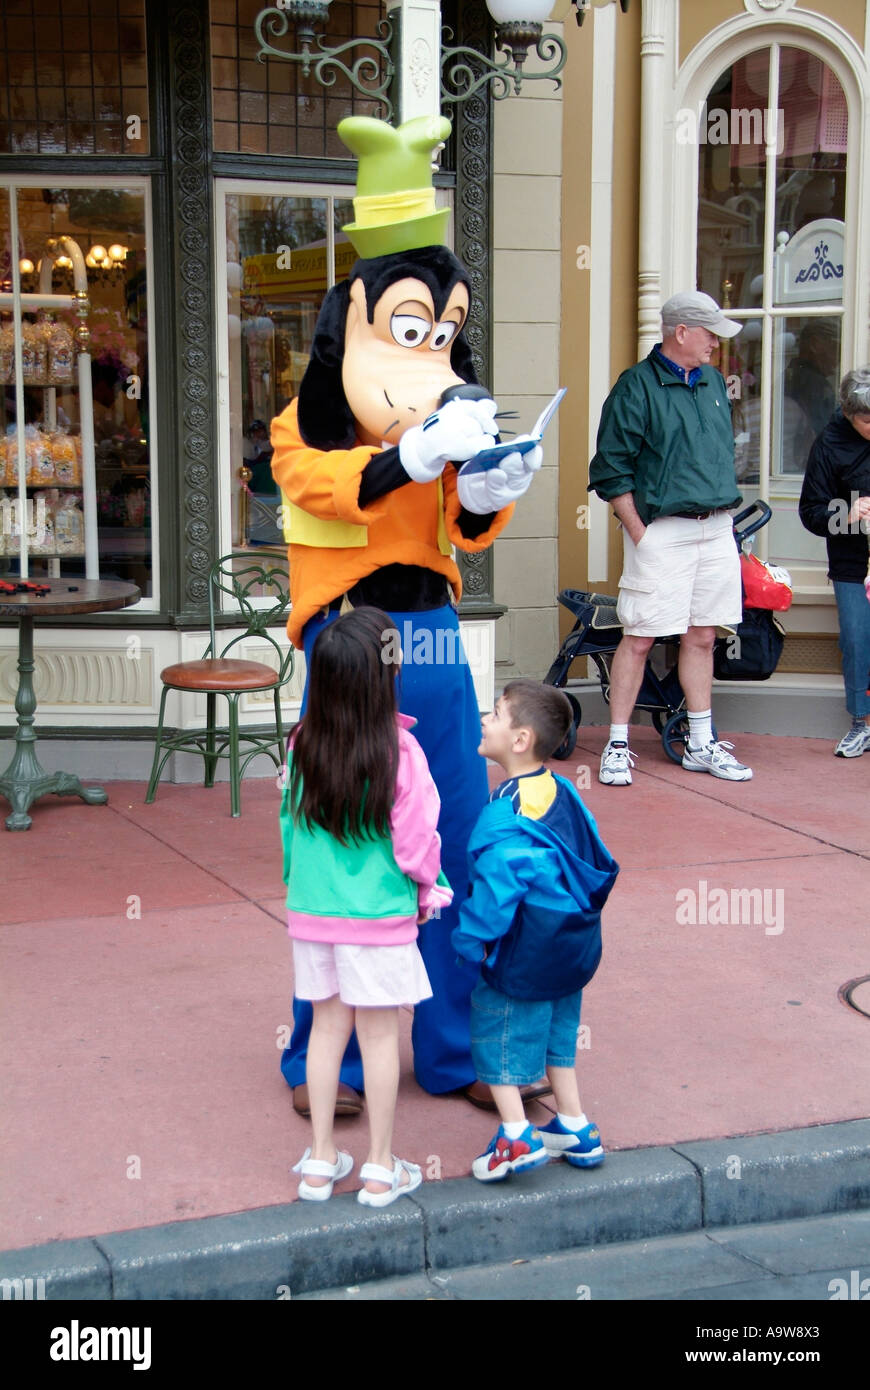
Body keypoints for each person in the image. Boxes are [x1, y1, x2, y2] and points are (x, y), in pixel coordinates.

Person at [271, 114, 546, 1118]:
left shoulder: (446, 425)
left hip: (431, 646)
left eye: (445, 329)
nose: (436, 353)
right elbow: (322, 488)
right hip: (350, 655)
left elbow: (457, 535)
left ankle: (455, 1044)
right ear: (350, 326)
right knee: (347, 850)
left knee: (453, 847)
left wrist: (485, 486)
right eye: (408, 327)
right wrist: (409, 458)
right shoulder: (301, 432)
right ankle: (324, 1062)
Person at [282, 607, 452, 1205]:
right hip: (378, 916)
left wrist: (295, 889)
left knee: (327, 1031)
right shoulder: (401, 752)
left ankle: (320, 1161)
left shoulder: (301, 744)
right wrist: (429, 888)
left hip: (311, 912)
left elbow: (289, 829)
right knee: (380, 1037)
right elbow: (417, 841)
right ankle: (380, 1167)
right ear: (386, 676)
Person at [451, 681, 619, 1183]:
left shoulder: (503, 813)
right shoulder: (563, 791)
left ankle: (516, 1134)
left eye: (497, 714)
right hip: (573, 941)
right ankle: (574, 1124)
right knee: (557, 1031)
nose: (485, 719)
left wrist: (469, 940)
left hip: (525, 945)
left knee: (495, 1033)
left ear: (520, 739)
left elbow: (496, 889)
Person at [589, 290, 753, 786]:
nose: (715, 346)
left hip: (716, 528)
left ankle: (701, 743)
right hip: (664, 532)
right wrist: (643, 535)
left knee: (702, 635)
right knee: (638, 637)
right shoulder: (634, 387)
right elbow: (611, 470)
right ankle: (617, 744)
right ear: (680, 332)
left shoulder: (711, 384)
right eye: (709, 335)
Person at [799, 367, 870, 757]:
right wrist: (848, 512)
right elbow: (811, 511)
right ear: (847, 412)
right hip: (852, 564)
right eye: (866, 419)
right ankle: (860, 723)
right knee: (857, 641)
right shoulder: (828, 443)